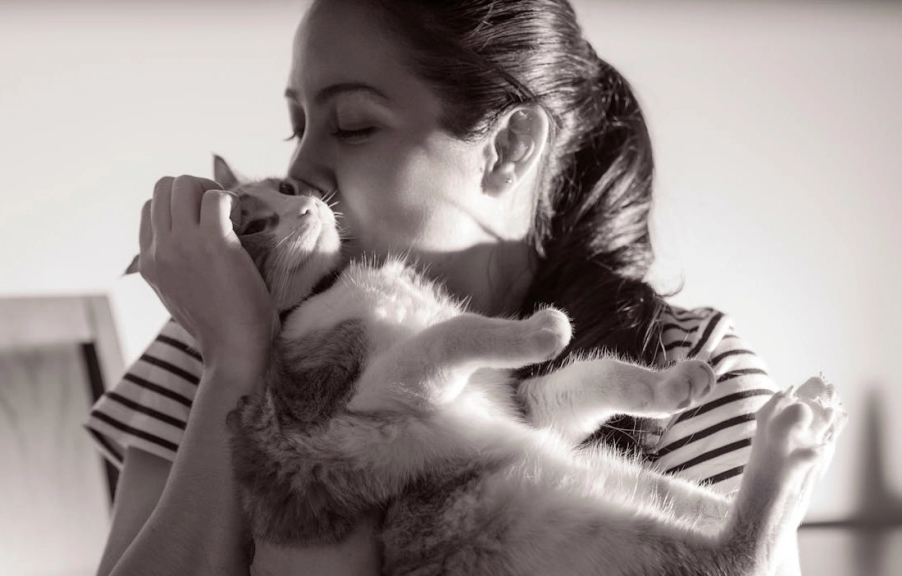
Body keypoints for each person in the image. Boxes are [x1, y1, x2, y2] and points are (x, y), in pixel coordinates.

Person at [85, 1, 801, 574]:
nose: (300, 167)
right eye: (296, 124)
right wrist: (234, 363)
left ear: (508, 148)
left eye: (352, 125)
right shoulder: (221, 326)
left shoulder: (689, 360)